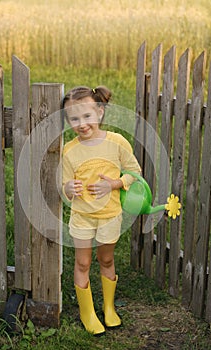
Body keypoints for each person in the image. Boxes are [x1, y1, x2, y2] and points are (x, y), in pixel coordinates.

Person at [62, 85, 141, 335]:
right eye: (74, 118)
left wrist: (114, 184)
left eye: (87, 116)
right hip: (82, 217)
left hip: (109, 216)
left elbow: (134, 174)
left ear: (100, 112)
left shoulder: (117, 143)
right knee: (82, 262)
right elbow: (64, 186)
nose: (82, 123)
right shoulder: (69, 150)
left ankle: (109, 307)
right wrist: (68, 188)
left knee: (105, 259)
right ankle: (88, 313)